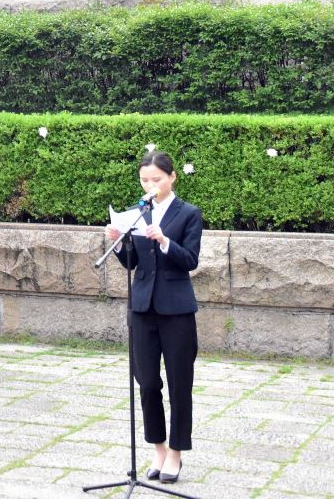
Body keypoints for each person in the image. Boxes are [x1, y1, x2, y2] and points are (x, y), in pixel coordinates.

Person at [106, 150, 203, 484]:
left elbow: (190, 259)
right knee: (146, 383)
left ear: (172, 177)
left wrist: (163, 241)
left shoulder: (189, 214)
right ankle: (158, 449)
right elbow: (134, 266)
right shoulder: (138, 214)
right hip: (143, 308)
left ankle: (176, 454)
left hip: (176, 310)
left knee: (179, 384)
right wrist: (120, 244)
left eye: (157, 179)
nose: (151, 185)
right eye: (145, 180)